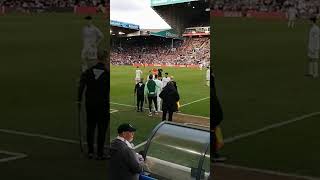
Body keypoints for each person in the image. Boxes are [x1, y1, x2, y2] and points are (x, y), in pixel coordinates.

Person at [78, 49, 109, 160]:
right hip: (103, 105)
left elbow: (81, 85)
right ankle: (100, 153)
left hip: (90, 104)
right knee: (102, 129)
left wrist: (79, 100)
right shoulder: (107, 74)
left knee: (90, 127)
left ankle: (91, 152)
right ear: (105, 59)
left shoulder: (88, 71)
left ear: (97, 58)